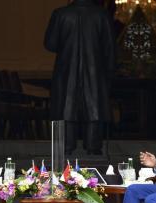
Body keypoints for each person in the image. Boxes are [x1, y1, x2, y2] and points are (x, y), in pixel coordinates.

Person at [44, 0, 115, 155]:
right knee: (94, 111)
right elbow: (110, 48)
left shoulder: (60, 14)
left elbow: (50, 44)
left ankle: (66, 151)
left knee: (66, 109)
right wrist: (109, 75)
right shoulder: (102, 14)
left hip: (66, 71)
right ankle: (93, 150)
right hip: (95, 72)